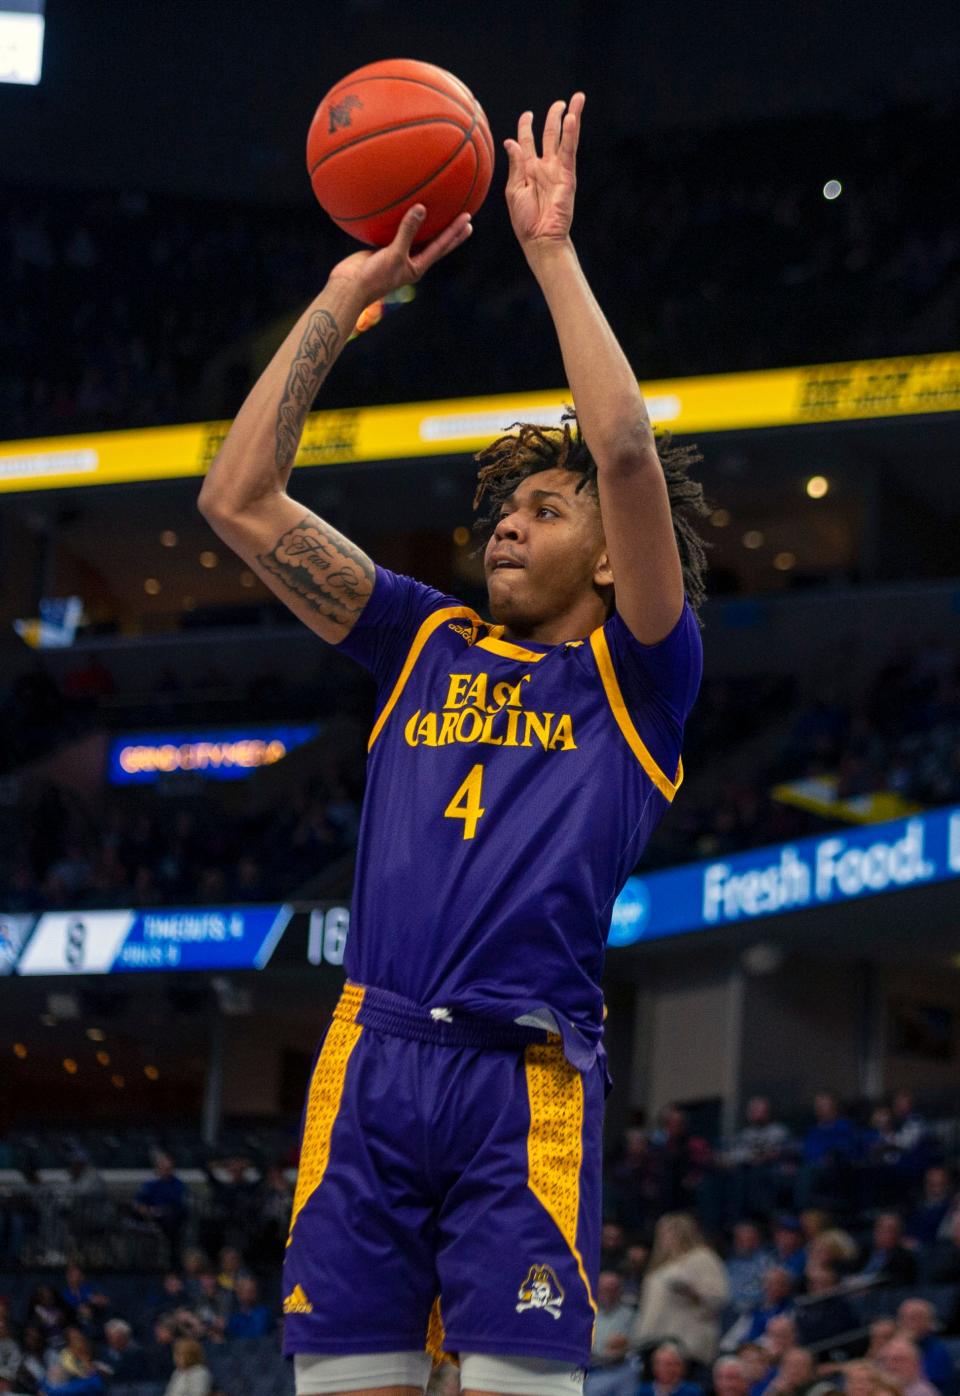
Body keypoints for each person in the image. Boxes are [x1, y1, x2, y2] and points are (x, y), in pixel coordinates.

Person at [199, 91, 707, 1396]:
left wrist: (548, 252)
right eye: (505, 510)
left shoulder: (636, 673)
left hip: (523, 1082)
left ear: (608, 556)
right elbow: (239, 500)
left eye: (548, 509)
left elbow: (632, 455)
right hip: (370, 1066)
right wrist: (341, 298)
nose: (511, 526)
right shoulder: (418, 640)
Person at [631, 1215, 729, 1374]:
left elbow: (718, 1298)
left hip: (685, 1342)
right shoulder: (659, 1265)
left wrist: (691, 1292)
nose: (666, 1238)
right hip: (653, 1340)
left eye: (671, 1232)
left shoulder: (702, 1257)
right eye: (663, 1233)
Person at [585, 1273, 635, 1396]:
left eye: (613, 1289)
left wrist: (621, 1346)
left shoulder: (630, 1314)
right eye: (604, 1289)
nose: (608, 1293)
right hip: (592, 1368)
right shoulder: (588, 1313)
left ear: (620, 1291)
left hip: (620, 1368)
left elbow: (629, 1344)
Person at [897, 1298, 955, 1395]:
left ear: (930, 1321)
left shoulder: (939, 1350)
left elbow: (927, 1382)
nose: (910, 1322)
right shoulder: (892, 1347)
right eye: (905, 1317)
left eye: (916, 1317)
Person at [851, 1213, 918, 1287]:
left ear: (899, 1234)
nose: (885, 1234)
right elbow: (850, 1269)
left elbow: (895, 1284)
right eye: (881, 1229)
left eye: (890, 1231)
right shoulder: (864, 1249)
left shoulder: (904, 1258)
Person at [637, 1343, 704, 1396]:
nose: (663, 1368)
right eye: (659, 1363)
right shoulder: (643, 1390)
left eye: (669, 1364)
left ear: (680, 1366)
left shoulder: (692, 1392)